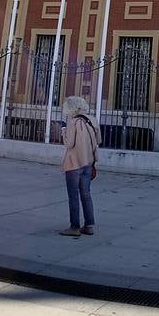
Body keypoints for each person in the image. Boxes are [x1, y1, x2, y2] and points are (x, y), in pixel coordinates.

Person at [59, 95, 99, 237]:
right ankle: (89, 225)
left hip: (74, 164)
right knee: (86, 194)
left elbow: (69, 144)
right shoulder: (92, 120)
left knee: (73, 196)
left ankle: (74, 227)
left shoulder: (73, 122)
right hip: (88, 163)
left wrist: (63, 130)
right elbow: (98, 139)